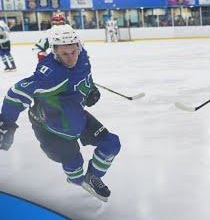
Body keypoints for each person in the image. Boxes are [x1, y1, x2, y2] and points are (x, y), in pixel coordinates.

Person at [0, 25, 121, 202]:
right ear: (55, 51)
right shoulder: (50, 74)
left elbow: (84, 73)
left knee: (111, 144)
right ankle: (78, 179)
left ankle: (93, 176)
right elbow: (16, 93)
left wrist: (90, 88)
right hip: (49, 126)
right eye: (64, 54)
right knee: (75, 165)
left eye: (73, 51)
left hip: (76, 115)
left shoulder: (82, 55)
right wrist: (6, 122)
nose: (71, 57)